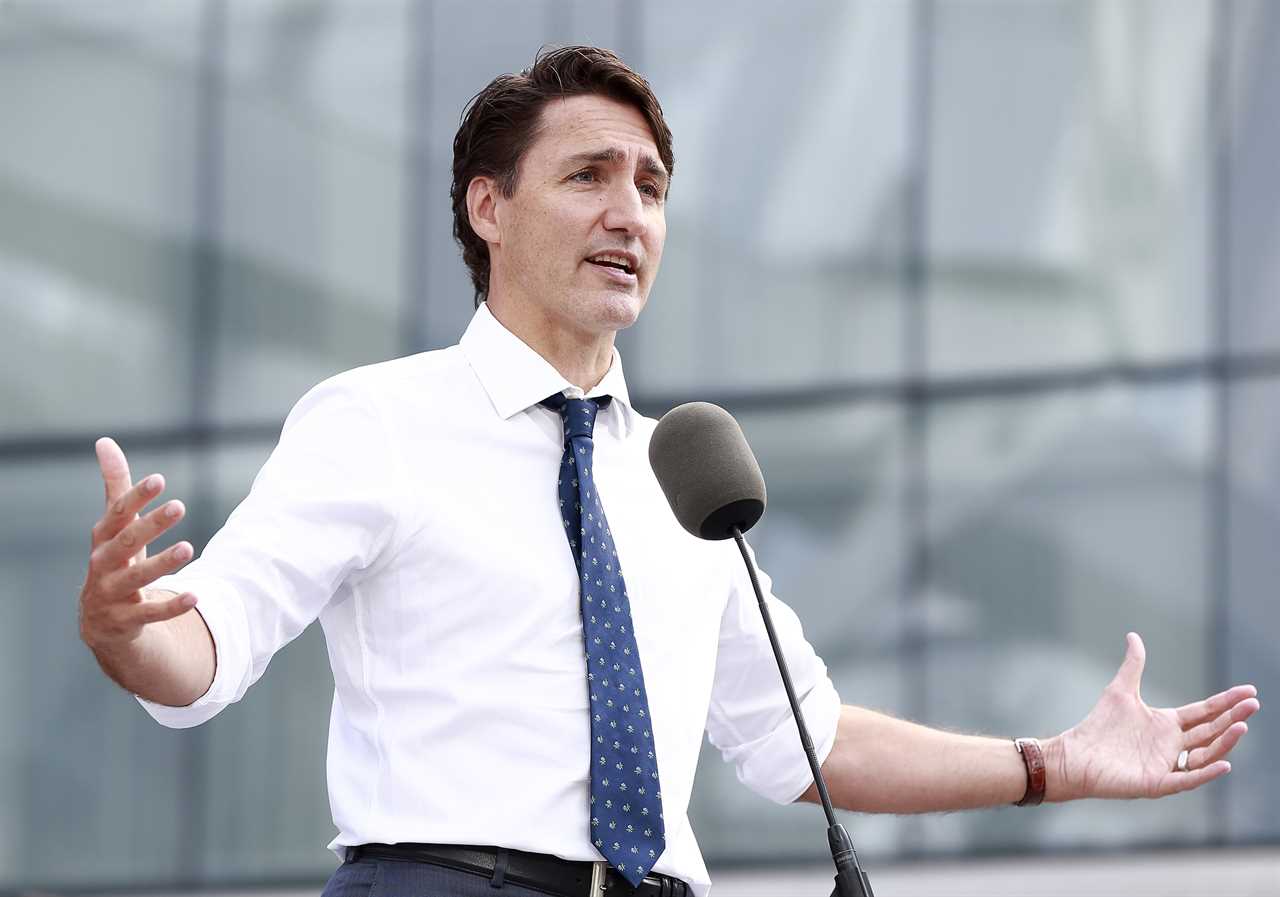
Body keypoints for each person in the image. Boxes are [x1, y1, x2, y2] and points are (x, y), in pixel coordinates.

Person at [78, 46, 1260, 897]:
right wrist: (129, 627)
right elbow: (202, 654)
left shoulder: (682, 471)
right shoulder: (377, 419)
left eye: (649, 186)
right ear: (487, 207)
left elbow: (804, 740)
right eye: (587, 176)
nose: (628, 213)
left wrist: (1049, 766)